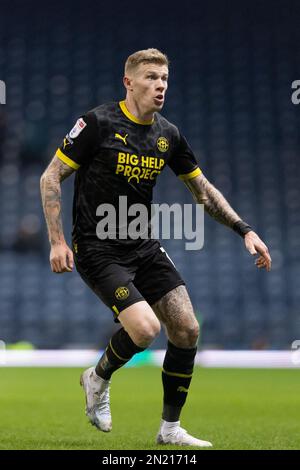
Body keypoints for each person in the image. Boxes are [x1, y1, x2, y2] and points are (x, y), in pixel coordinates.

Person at [40, 48, 272, 447]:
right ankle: (96, 378)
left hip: (143, 245)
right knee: (146, 329)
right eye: (150, 77)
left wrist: (243, 229)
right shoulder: (97, 123)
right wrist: (58, 241)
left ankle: (169, 431)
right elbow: (50, 177)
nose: (160, 85)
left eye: (164, 78)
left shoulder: (168, 135)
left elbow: (203, 191)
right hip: (97, 247)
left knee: (186, 328)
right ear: (128, 82)